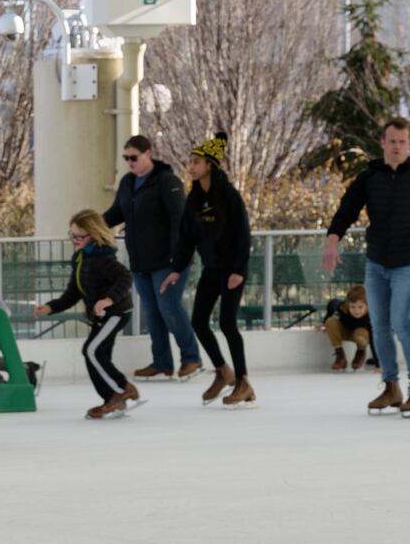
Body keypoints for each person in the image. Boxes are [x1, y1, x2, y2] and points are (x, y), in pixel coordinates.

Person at [322, 117, 410, 417]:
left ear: (409, 144)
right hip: (377, 263)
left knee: (402, 323)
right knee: (380, 327)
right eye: (392, 141)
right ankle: (391, 387)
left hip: (409, 264)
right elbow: (347, 209)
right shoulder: (369, 177)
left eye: (403, 142)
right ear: (383, 143)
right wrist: (332, 240)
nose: (397, 147)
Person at [162, 132, 255, 407]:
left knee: (227, 323)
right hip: (212, 270)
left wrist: (238, 269)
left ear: (209, 165)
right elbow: (187, 237)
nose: (191, 167)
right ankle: (222, 372)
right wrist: (177, 268)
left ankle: (243, 381)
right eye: (190, 162)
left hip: (232, 270)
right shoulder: (194, 199)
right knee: (199, 322)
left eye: (196, 162)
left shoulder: (228, 195)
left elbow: (243, 234)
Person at [104, 135, 203, 381]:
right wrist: (90, 224)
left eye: (134, 157)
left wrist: (177, 261)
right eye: (126, 158)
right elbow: (117, 213)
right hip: (141, 261)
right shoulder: (127, 183)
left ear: (148, 154)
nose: (130, 163)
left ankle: (192, 358)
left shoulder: (167, 182)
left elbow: (180, 221)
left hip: (168, 262)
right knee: (152, 311)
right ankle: (162, 362)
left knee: (169, 307)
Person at [35, 210, 139, 419]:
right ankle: (112, 398)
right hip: (102, 316)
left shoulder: (103, 257)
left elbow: (125, 278)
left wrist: (108, 300)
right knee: (98, 354)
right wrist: (51, 307)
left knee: (92, 350)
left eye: (79, 236)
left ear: (93, 234)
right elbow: (74, 292)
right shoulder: (81, 258)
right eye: (72, 235)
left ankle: (121, 389)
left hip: (116, 313)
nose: (74, 240)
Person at [325, 286, 373, 372]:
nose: (356, 311)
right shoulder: (342, 308)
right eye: (353, 307)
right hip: (346, 331)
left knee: (361, 333)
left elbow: (374, 340)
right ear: (348, 303)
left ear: (367, 305)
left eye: (360, 307)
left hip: (361, 335)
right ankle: (340, 356)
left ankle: (360, 352)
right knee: (330, 321)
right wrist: (324, 321)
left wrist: (378, 364)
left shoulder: (372, 315)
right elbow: (332, 304)